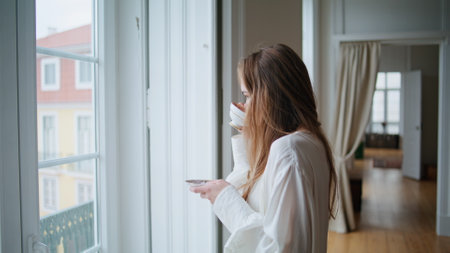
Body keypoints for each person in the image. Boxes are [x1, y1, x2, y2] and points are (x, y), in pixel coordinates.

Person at [190, 44, 337, 253]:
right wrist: (249, 134)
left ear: (268, 96)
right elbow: (251, 186)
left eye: (248, 96)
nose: (245, 105)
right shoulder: (311, 143)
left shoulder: (288, 150)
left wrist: (225, 200)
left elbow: (277, 248)